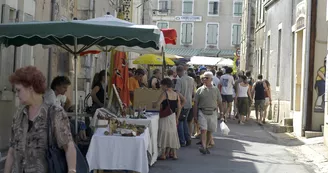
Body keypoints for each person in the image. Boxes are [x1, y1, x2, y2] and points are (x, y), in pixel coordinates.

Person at [4, 66, 76, 173]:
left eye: (19, 90)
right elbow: (11, 151)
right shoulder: (19, 114)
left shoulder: (55, 113)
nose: (17, 95)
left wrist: (72, 170)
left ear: (30, 88)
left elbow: (68, 146)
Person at [44, 76, 87, 141]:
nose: (66, 90)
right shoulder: (50, 95)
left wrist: (68, 109)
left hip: (59, 120)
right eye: (64, 87)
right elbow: (56, 112)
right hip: (52, 123)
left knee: (81, 123)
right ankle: (73, 143)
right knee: (72, 126)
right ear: (57, 86)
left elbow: (68, 101)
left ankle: (81, 140)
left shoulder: (59, 95)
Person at [152, 78, 182, 160]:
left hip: (165, 116)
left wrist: (153, 104)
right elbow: (179, 107)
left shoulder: (164, 94)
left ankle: (163, 154)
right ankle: (174, 154)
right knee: (172, 134)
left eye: (162, 85)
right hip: (172, 116)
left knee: (164, 133)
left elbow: (157, 104)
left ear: (165, 85)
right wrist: (177, 117)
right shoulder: (176, 94)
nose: (161, 86)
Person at [194, 72, 222, 154]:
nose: (204, 79)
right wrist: (195, 115)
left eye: (207, 78)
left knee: (210, 130)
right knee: (203, 130)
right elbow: (195, 103)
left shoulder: (215, 89)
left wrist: (222, 113)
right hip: (202, 112)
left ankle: (205, 146)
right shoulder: (199, 90)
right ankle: (203, 146)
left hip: (213, 112)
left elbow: (220, 102)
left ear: (211, 79)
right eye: (203, 78)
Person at [175, 66, 195, 147]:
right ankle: (188, 138)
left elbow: (177, 92)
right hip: (189, 103)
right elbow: (193, 92)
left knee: (180, 122)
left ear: (178, 72)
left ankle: (182, 140)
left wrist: (183, 98)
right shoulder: (191, 79)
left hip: (182, 103)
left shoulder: (179, 80)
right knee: (185, 121)